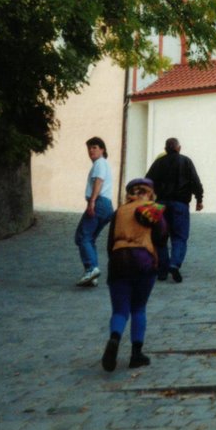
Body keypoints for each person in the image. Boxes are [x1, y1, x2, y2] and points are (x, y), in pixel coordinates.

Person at [101, 178, 167, 371]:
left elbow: (110, 241)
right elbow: (162, 236)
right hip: (143, 260)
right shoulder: (152, 209)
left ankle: (114, 338)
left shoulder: (120, 211)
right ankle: (136, 354)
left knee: (120, 310)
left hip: (119, 261)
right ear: (150, 193)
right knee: (138, 308)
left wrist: (112, 262)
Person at [145, 137, 204, 282]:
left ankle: (162, 270)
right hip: (180, 204)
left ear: (166, 149)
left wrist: (147, 201)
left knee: (160, 238)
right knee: (180, 237)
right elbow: (195, 182)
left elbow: (147, 181)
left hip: (160, 204)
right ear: (179, 148)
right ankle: (174, 264)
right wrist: (199, 199)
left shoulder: (158, 163)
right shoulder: (186, 161)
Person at [74, 137, 115, 286]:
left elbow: (99, 181)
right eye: (89, 148)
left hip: (99, 202)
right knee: (89, 238)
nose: (91, 150)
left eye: (95, 147)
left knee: (82, 236)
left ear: (102, 149)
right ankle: (93, 273)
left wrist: (92, 202)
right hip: (106, 205)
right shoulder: (103, 164)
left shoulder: (100, 163)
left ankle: (91, 268)